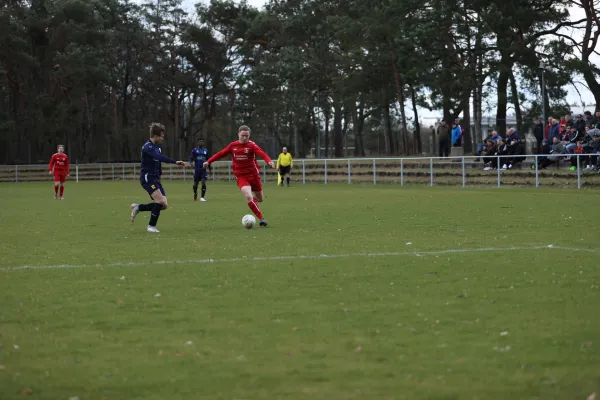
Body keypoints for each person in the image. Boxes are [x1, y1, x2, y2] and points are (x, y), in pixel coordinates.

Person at [203, 125, 275, 226]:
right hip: (241, 176)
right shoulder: (233, 146)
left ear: (249, 135)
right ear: (238, 134)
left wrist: (269, 161)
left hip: (253, 175)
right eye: (242, 135)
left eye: (247, 136)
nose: (244, 138)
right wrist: (208, 161)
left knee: (260, 199)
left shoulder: (252, 145)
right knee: (248, 196)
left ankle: (254, 203)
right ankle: (261, 219)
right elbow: (220, 154)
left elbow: (262, 153)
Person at [130, 122, 189, 233]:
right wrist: (175, 162)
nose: (162, 138)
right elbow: (159, 157)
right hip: (148, 178)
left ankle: (138, 207)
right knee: (160, 201)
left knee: (164, 205)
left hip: (155, 179)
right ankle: (151, 226)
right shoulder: (148, 147)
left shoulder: (158, 146)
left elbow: (158, 161)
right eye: (161, 136)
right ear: (155, 136)